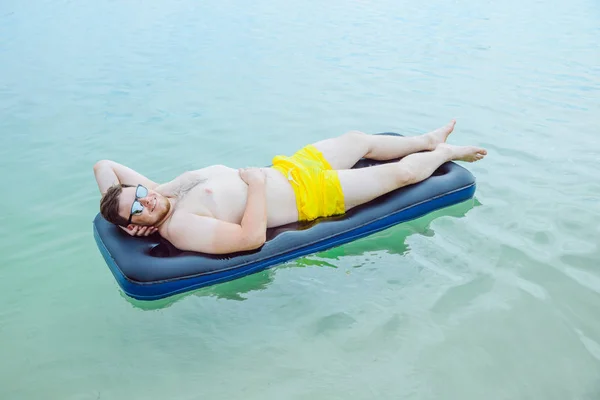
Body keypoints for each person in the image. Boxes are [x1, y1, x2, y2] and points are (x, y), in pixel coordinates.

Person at [94, 120, 486, 254]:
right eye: (138, 208)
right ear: (133, 224)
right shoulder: (180, 226)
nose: (147, 200)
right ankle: (447, 152)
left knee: (356, 139)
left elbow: (104, 165)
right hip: (310, 194)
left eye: (141, 193)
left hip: (291, 167)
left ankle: (426, 140)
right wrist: (257, 186)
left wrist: (120, 205)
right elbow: (250, 239)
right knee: (400, 175)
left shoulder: (166, 192)